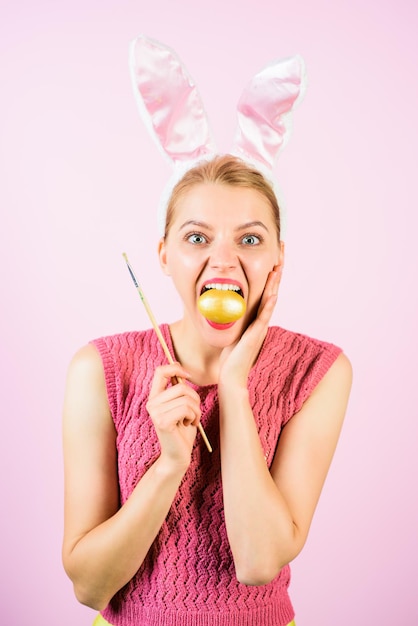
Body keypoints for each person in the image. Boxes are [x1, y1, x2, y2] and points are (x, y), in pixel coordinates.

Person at [62, 38, 352, 626]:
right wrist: (168, 464)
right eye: (198, 237)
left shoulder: (318, 372)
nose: (223, 260)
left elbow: (259, 561)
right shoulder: (101, 370)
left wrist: (237, 386)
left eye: (249, 239)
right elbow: (90, 588)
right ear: (164, 255)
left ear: (276, 259)